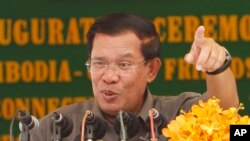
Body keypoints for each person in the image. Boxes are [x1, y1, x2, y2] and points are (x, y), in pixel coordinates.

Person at [30, 12, 239, 141]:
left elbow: (226, 118)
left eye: (123, 64)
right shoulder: (59, 126)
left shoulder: (178, 115)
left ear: (152, 70)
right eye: (99, 63)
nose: (109, 77)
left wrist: (217, 66)